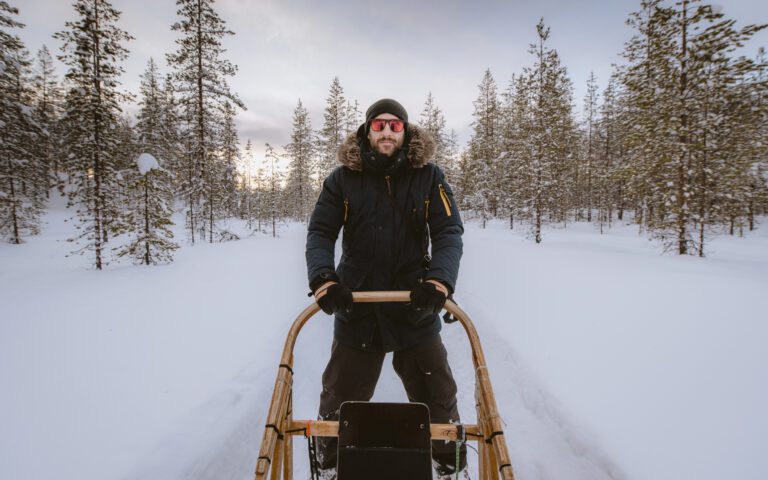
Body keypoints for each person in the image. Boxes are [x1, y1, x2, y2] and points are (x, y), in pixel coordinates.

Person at [305, 98, 468, 479]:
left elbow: (448, 231)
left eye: (395, 126)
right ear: (367, 131)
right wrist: (324, 280)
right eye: (379, 125)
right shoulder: (342, 179)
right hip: (357, 305)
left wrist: (439, 280)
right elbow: (321, 232)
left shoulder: (429, 176)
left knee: (439, 397)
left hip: (415, 303)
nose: (387, 132)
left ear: (406, 132)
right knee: (338, 400)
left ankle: (449, 466)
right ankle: (329, 467)